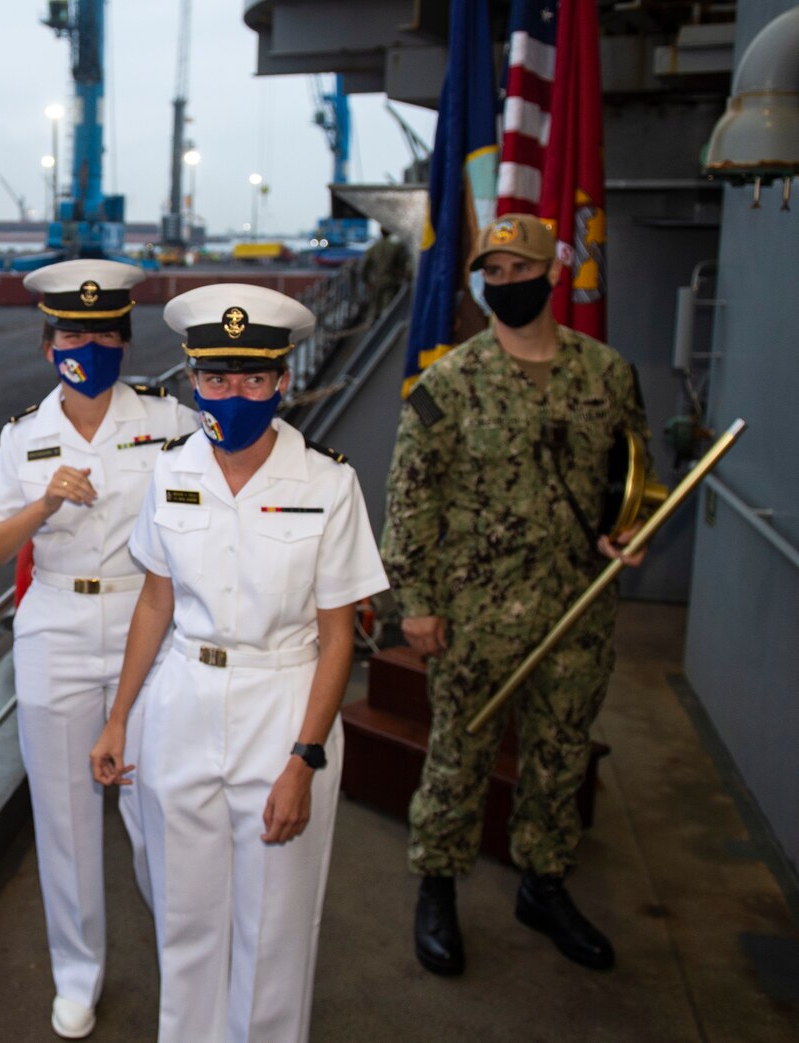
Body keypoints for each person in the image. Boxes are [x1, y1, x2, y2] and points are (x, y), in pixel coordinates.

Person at [90, 284, 388, 1043]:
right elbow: (155, 603)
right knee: (185, 921)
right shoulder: (171, 470)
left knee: (273, 930)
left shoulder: (328, 482)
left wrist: (304, 758)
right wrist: (121, 716)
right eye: (216, 379)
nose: (234, 394)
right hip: (184, 699)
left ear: (282, 380)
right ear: (193, 381)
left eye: (254, 379)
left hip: (284, 703)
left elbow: (338, 633)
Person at [382, 213, 650, 978]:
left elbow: (632, 476)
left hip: (577, 609)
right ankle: (436, 884)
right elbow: (412, 500)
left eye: (517, 271)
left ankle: (544, 881)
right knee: (457, 754)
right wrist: (417, 604)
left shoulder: (607, 374)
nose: (504, 285)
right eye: (490, 274)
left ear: (552, 274)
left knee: (560, 753)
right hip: (475, 615)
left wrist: (630, 528)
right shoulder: (448, 383)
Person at [0, 258, 198, 1039]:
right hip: (56, 630)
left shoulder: (170, 423)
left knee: (160, 806)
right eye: (72, 331)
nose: (88, 344)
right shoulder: (25, 438)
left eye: (102, 331)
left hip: (150, 627)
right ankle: (77, 976)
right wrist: (42, 502)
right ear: (48, 345)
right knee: (64, 819)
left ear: (125, 340)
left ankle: (189, 972)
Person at [360, 226, 410, 315]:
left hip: (377, 283)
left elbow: (363, 269)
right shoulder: (397, 247)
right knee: (388, 310)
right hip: (391, 282)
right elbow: (404, 266)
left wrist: (367, 282)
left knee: (375, 310)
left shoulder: (373, 248)